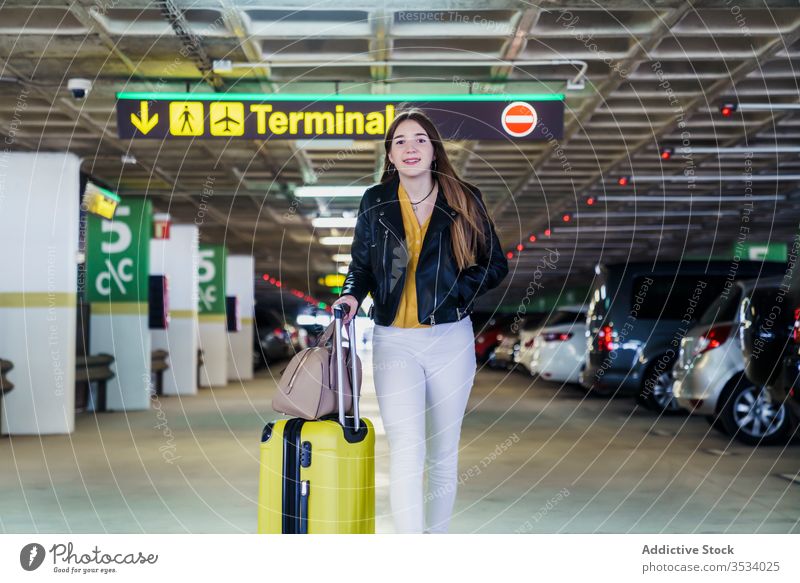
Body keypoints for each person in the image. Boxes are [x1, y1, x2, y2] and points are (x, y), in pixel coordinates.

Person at [332, 108, 509, 533]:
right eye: (399, 141)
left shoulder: (465, 196)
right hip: (394, 339)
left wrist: (456, 297)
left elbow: (494, 264)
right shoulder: (375, 200)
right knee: (407, 450)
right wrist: (351, 295)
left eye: (419, 139)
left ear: (434, 150)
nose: (409, 147)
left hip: (450, 337)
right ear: (390, 155)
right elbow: (361, 265)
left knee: (443, 453)